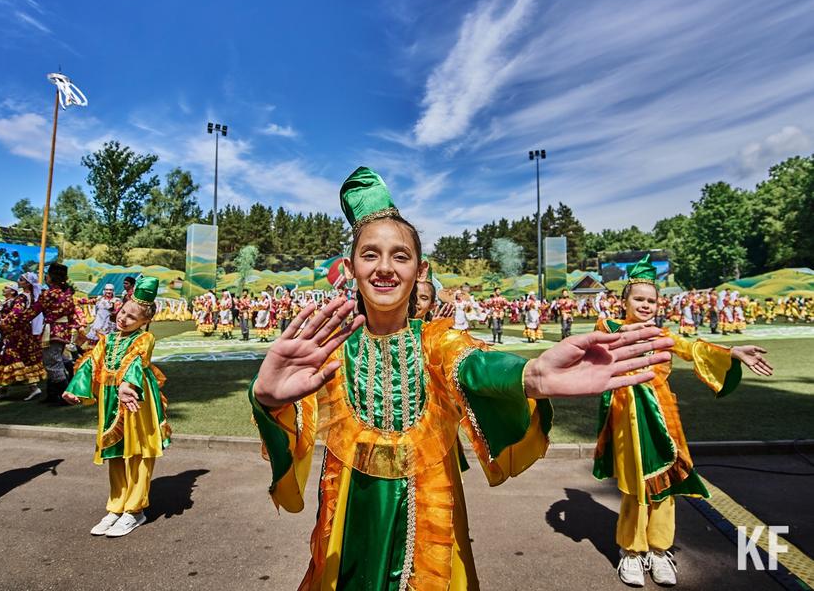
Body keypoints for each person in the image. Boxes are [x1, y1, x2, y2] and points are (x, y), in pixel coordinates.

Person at [249, 167, 674, 589]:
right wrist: (268, 400)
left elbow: (474, 365)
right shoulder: (330, 352)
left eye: (400, 255)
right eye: (370, 254)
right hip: (348, 519)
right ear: (350, 267)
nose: (385, 267)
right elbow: (291, 429)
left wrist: (531, 374)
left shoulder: (437, 341)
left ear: (420, 270)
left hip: (430, 516)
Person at [592, 256, 773, 588]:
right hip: (627, 417)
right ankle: (631, 551)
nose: (645, 305)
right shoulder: (611, 329)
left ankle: (659, 550)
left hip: (664, 416)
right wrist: (627, 333)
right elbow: (601, 337)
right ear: (624, 302)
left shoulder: (663, 334)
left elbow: (692, 347)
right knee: (634, 485)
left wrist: (732, 352)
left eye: (651, 301)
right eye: (638, 299)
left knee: (666, 483)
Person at [62, 277, 171, 538]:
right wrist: (74, 388)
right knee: (115, 453)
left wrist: (126, 385)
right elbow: (91, 363)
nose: (123, 318)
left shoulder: (144, 338)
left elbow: (136, 361)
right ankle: (116, 506)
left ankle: (134, 510)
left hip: (136, 398)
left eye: (132, 317)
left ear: (144, 321)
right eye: (123, 312)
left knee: (138, 452)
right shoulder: (108, 339)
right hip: (110, 398)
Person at [22, 263, 85, 404]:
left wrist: (11, 323)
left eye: (47, 275)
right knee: (54, 360)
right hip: (63, 331)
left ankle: (66, 397)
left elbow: (32, 311)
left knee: (52, 363)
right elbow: (71, 314)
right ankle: (52, 394)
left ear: (51, 277)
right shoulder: (67, 294)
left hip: (52, 331)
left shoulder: (49, 294)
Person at [0, 273, 46, 402]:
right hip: (21, 332)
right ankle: (7, 389)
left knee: (11, 357)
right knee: (20, 358)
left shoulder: (22, 297)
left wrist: (1, 323)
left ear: (27, 283)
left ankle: (8, 389)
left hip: (16, 333)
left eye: (21, 280)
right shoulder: (31, 296)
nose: (19, 281)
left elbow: (16, 313)